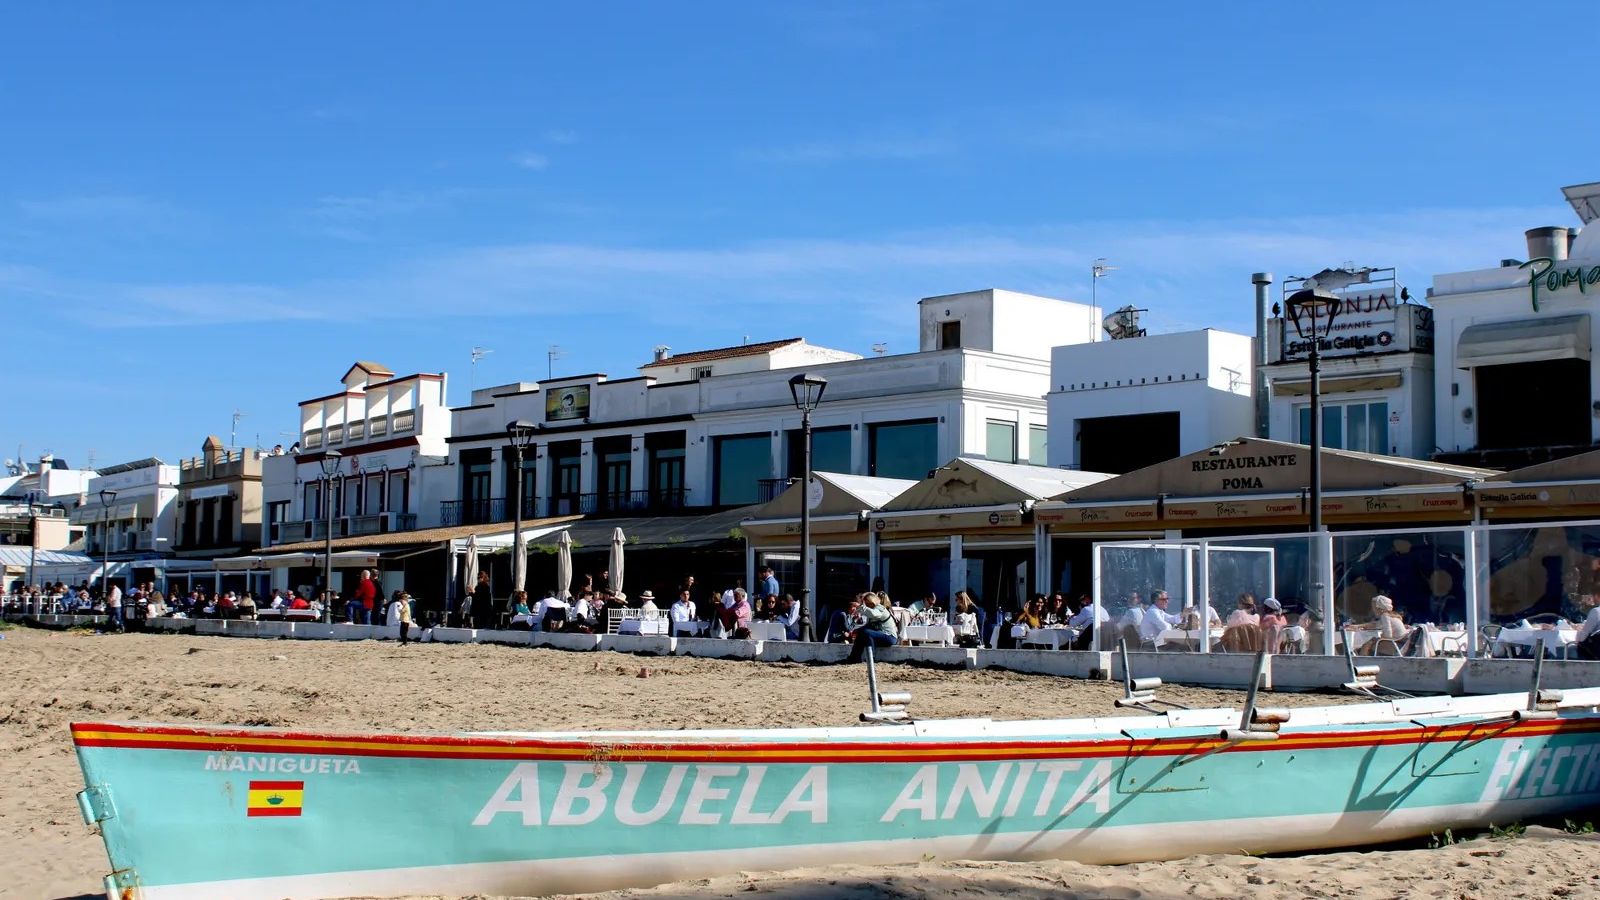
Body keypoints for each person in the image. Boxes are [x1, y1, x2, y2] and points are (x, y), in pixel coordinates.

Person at [845, 592, 898, 663]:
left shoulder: (880, 608)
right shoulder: (872, 610)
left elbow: (874, 614)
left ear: (871, 601)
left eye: (867, 603)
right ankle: (854, 658)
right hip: (880, 636)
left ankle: (871, 658)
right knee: (862, 632)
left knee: (866, 632)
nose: (866, 605)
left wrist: (861, 607)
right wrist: (855, 631)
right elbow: (868, 626)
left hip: (890, 637)